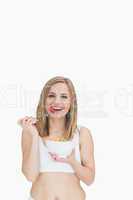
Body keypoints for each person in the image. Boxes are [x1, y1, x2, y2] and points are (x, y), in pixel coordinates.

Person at [18, 76, 95, 200]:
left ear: (71, 102)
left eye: (64, 96)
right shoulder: (30, 132)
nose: (56, 102)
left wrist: (72, 162)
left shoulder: (82, 133)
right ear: (44, 100)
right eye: (51, 96)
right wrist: (34, 136)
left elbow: (89, 179)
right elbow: (30, 176)